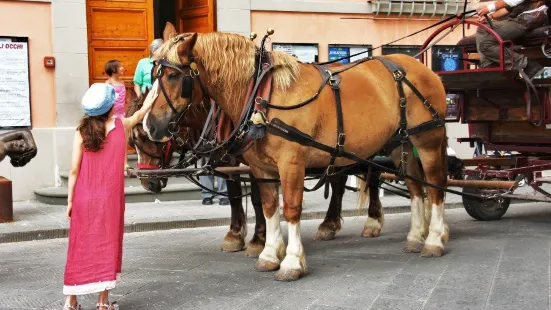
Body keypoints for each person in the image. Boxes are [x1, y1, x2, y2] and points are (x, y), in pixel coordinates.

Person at [62, 82, 158, 310]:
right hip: (111, 198)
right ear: (110, 107)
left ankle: (71, 300)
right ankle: (103, 301)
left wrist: (70, 200)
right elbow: (140, 115)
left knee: (79, 245)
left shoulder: (81, 131)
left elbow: (74, 169)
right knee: (107, 242)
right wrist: (152, 96)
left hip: (84, 196)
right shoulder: (120, 124)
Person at [475, 0, 549, 79]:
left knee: (486, 44)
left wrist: (488, 8)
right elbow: (507, 8)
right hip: (517, 20)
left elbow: (510, 2)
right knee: (482, 28)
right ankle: (489, 65)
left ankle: (528, 64)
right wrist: (490, 16)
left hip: (527, 21)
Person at [104, 59, 129, 169]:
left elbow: (124, 99)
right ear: (113, 70)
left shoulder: (122, 82)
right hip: (111, 116)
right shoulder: (108, 84)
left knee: (124, 139)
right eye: (120, 67)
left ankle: (125, 163)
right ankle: (111, 161)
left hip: (122, 115)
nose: (122, 68)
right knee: (112, 140)